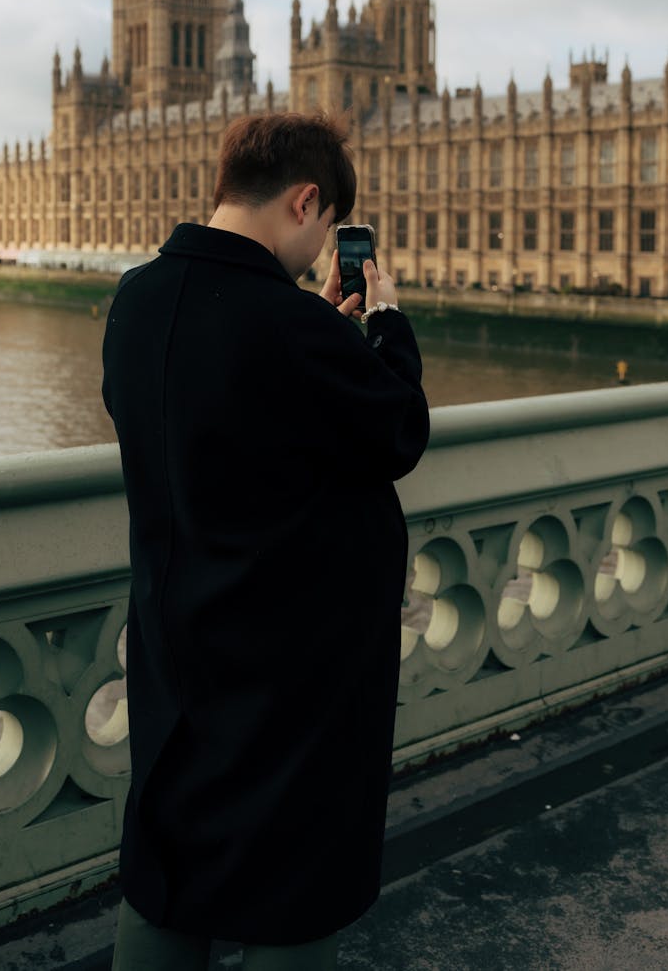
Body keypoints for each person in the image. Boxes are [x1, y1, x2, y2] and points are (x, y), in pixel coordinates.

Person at [102, 112, 431, 970]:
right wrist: (384, 323)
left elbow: (221, 422)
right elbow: (395, 431)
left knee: (168, 864)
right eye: (327, 232)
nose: (324, 253)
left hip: (177, 635)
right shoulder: (293, 327)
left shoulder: (135, 300)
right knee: (292, 887)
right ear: (307, 202)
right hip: (291, 662)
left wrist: (313, 329)